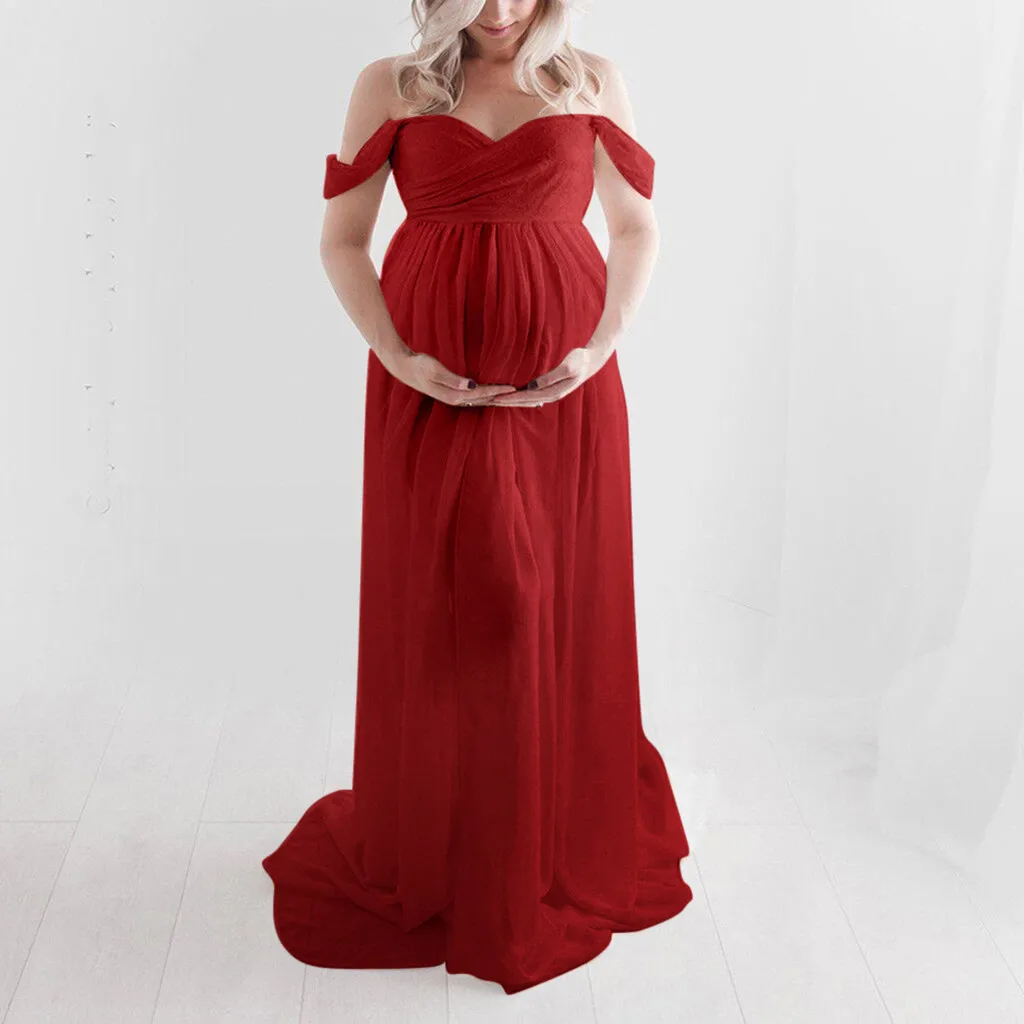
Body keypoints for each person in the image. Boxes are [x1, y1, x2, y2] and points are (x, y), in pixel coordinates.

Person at [262, 0, 693, 995]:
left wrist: (600, 346)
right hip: (428, 390)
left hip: (566, 394)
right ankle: (453, 849)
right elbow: (342, 241)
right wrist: (397, 356)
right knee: (451, 615)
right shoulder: (391, 86)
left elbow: (635, 228)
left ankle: (540, 843)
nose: (498, 11)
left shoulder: (590, 80)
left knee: (542, 608)